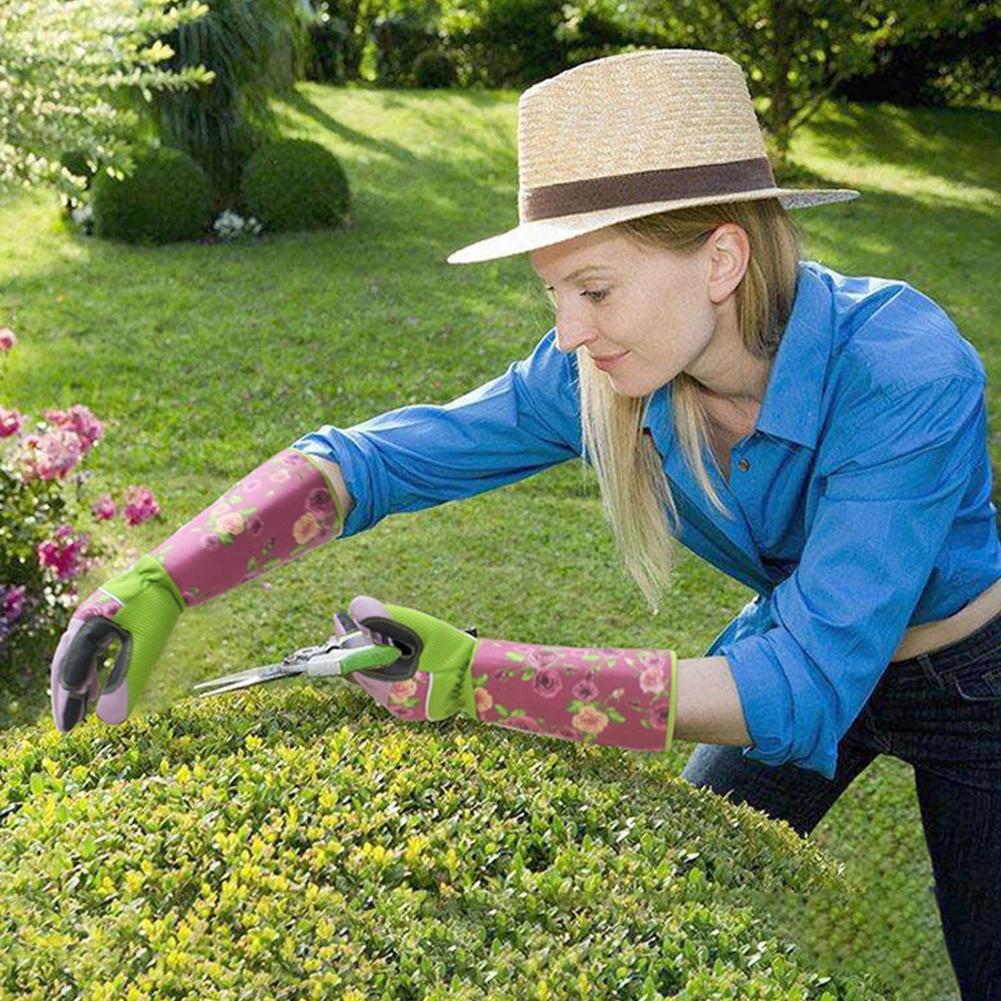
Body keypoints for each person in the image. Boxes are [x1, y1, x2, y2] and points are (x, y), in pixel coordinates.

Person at [49, 49, 1000, 998]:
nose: (571, 332)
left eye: (593, 289)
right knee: (652, 902)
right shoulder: (602, 375)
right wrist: (161, 581)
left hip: (971, 685)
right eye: (553, 295)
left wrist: (482, 677)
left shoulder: (902, 370)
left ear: (721, 257)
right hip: (790, 641)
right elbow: (372, 461)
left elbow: (800, 690)